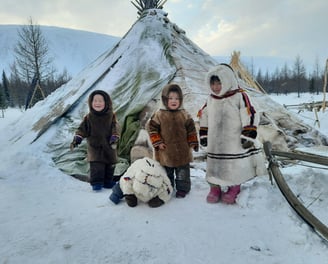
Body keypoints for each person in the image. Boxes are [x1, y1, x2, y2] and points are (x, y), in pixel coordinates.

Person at [198, 64, 266, 204]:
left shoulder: (239, 96)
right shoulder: (210, 99)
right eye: (213, 84)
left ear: (227, 80)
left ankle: (234, 188)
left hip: (233, 141)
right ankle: (215, 188)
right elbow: (204, 116)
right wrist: (204, 135)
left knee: (234, 166)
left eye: (219, 83)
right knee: (214, 167)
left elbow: (250, 114)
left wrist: (248, 134)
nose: (216, 87)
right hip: (215, 143)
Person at [146, 83, 199, 198]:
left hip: (183, 151)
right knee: (167, 172)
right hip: (166, 151)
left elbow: (191, 129)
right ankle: (167, 187)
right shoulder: (159, 114)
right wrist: (158, 142)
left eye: (176, 98)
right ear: (165, 99)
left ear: (181, 99)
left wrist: (193, 141)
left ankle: (182, 189)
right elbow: (152, 129)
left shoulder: (184, 114)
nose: (174, 101)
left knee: (183, 172)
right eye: (170, 98)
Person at [70, 90, 120, 191]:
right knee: (97, 166)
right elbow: (82, 129)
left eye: (100, 101)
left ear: (106, 103)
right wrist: (78, 137)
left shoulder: (111, 116)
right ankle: (97, 182)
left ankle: (108, 181)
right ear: (90, 103)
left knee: (110, 165)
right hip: (95, 146)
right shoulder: (89, 118)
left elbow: (116, 126)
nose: (97, 103)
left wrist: (115, 135)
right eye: (95, 101)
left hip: (109, 145)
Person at [109, 157, 173, 208]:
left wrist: (160, 199)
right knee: (122, 185)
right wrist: (129, 195)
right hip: (140, 164)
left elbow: (168, 189)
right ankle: (116, 194)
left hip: (155, 167)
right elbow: (125, 180)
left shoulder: (162, 180)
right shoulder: (133, 175)